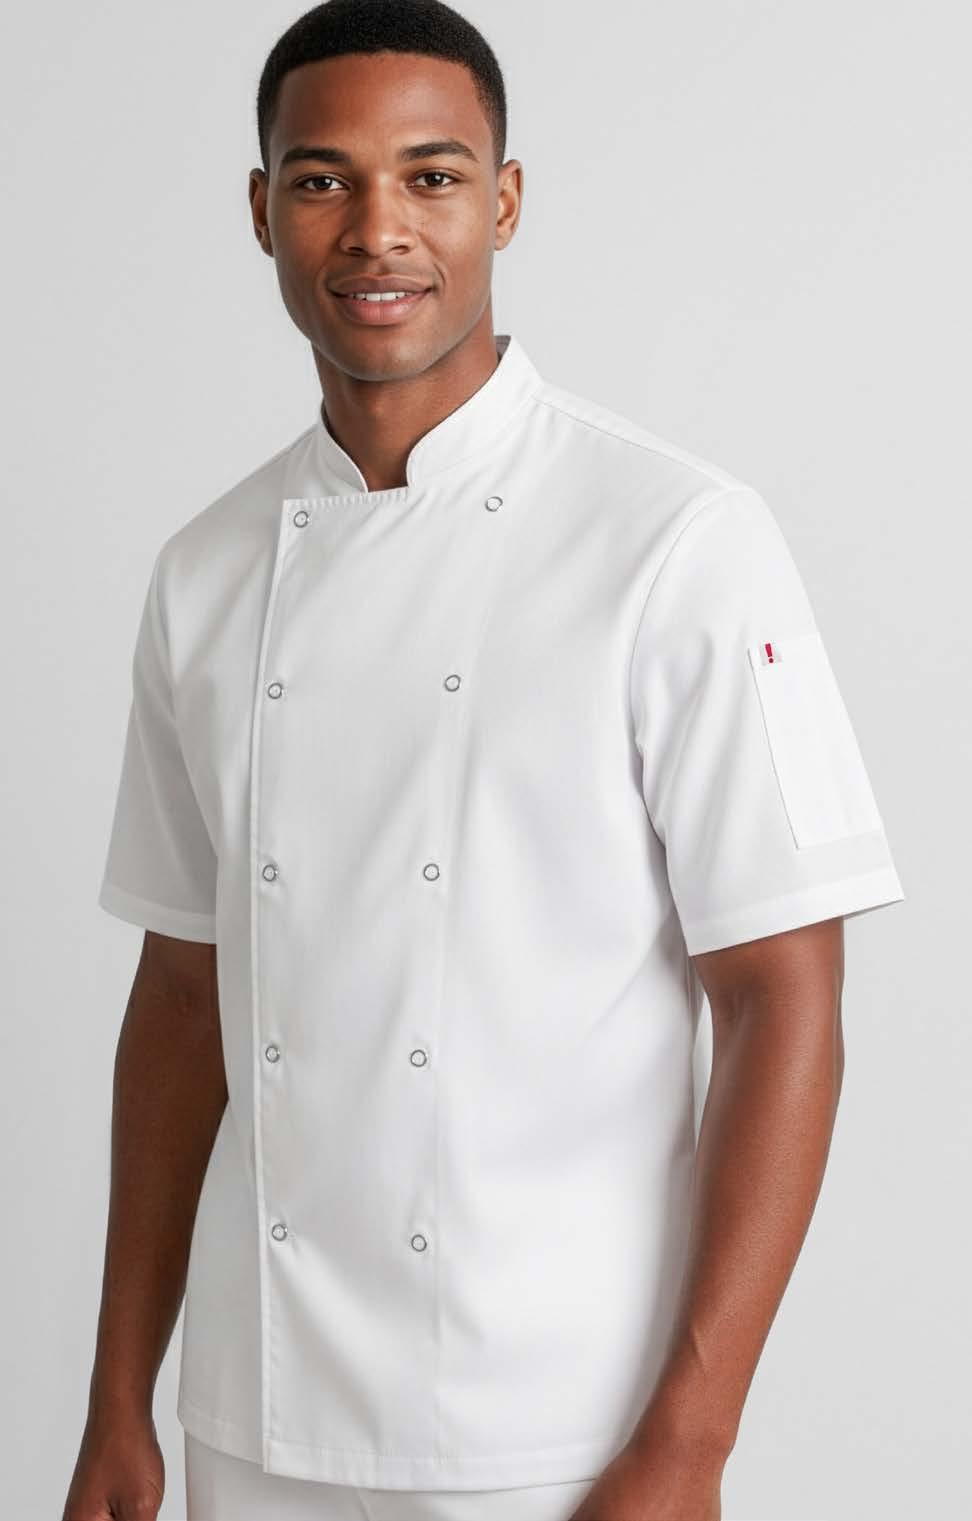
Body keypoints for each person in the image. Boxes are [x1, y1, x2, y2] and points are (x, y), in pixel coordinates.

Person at [63, 2, 906, 1519]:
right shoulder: (205, 572)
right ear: (260, 209)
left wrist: (690, 1442)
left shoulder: (678, 543)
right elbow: (183, 996)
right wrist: (119, 1395)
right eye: (323, 180)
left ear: (504, 200)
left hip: (563, 1430)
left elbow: (784, 994)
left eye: (432, 177)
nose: (376, 231)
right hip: (253, 1421)